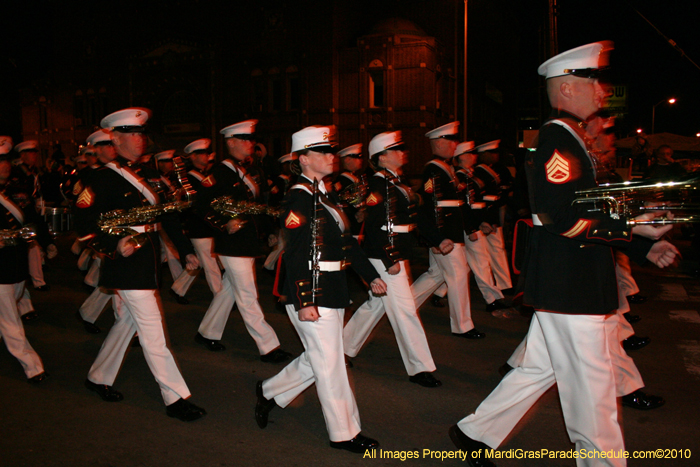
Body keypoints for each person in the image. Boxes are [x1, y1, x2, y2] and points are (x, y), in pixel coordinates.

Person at [448, 42, 679, 467]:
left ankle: (474, 433)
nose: (604, 90)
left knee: (541, 368)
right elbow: (560, 214)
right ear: (569, 88)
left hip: (570, 279)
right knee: (592, 390)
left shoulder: (570, 137)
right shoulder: (558, 137)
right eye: (595, 80)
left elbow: (589, 204)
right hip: (570, 281)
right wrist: (634, 227)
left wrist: (644, 237)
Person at [255, 125, 387, 453]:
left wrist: (369, 275)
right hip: (313, 292)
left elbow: (345, 243)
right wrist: (304, 300)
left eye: (331, 151)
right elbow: (296, 254)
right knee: (331, 364)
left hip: (333, 287)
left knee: (320, 358)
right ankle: (344, 433)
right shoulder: (298, 198)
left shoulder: (322, 194)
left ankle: (269, 391)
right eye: (323, 152)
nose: (332, 156)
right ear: (303, 159)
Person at [74, 107, 206, 422]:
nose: (139, 139)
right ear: (115, 139)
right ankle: (175, 398)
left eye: (141, 133)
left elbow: (167, 214)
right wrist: (112, 244)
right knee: (153, 331)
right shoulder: (102, 178)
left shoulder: (145, 174)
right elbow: (83, 221)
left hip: (147, 259)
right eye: (132, 134)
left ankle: (98, 377)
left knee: (126, 325)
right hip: (126, 263)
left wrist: (186, 249)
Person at [343, 131, 442, 387]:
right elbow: (376, 228)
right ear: (382, 157)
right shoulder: (378, 185)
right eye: (396, 149)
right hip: (386, 254)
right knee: (405, 310)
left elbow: (414, 217)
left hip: (398, 251)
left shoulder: (396, 181)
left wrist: (437, 239)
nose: (402, 153)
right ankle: (419, 367)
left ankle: (342, 347)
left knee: (376, 305)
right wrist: (390, 259)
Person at [193, 119, 291, 363]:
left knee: (229, 290)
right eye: (245, 139)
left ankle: (207, 332)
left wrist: (268, 230)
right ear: (231, 143)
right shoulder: (218, 174)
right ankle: (268, 346)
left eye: (251, 139)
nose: (251, 143)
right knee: (247, 294)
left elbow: (257, 206)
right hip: (231, 242)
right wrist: (222, 223)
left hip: (248, 241)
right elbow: (200, 206)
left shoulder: (250, 171)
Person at [411, 121, 484, 339]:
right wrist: (438, 238)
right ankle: (463, 326)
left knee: (436, 275)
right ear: (439, 143)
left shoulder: (445, 168)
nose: (455, 145)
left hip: (450, 233)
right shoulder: (433, 170)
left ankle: (402, 307)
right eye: (451, 140)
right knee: (459, 276)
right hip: (445, 235)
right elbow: (430, 206)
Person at [0, 153, 48, 384]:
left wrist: (45, 241)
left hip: (17, 263)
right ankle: (32, 366)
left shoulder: (14, 191)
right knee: (10, 320)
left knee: (7, 312)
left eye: (6, 160)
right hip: (0, 268)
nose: (5, 166)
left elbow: (31, 219)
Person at [170, 138, 223, 301]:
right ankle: (220, 297)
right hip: (199, 226)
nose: (206, 156)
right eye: (201, 153)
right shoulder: (189, 179)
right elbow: (196, 205)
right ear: (192, 157)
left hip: (208, 225)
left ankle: (178, 288)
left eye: (207, 152)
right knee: (211, 265)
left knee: (200, 261)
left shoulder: (206, 175)